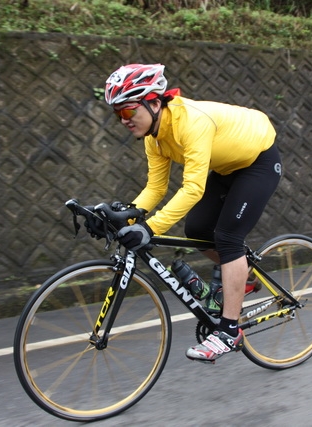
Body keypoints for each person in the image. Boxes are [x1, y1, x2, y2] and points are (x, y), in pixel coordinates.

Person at [105, 63, 282, 363]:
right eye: (117, 113)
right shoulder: (154, 138)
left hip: (258, 161)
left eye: (128, 110)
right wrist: (125, 216)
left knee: (227, 237)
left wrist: (149, 228)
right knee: (197, 230)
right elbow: (155, 188)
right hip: (226, 167)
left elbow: (193, 188)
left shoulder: (191, 122)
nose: (124, 119)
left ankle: (229, 331)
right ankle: (244, 275)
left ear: (154, 103)